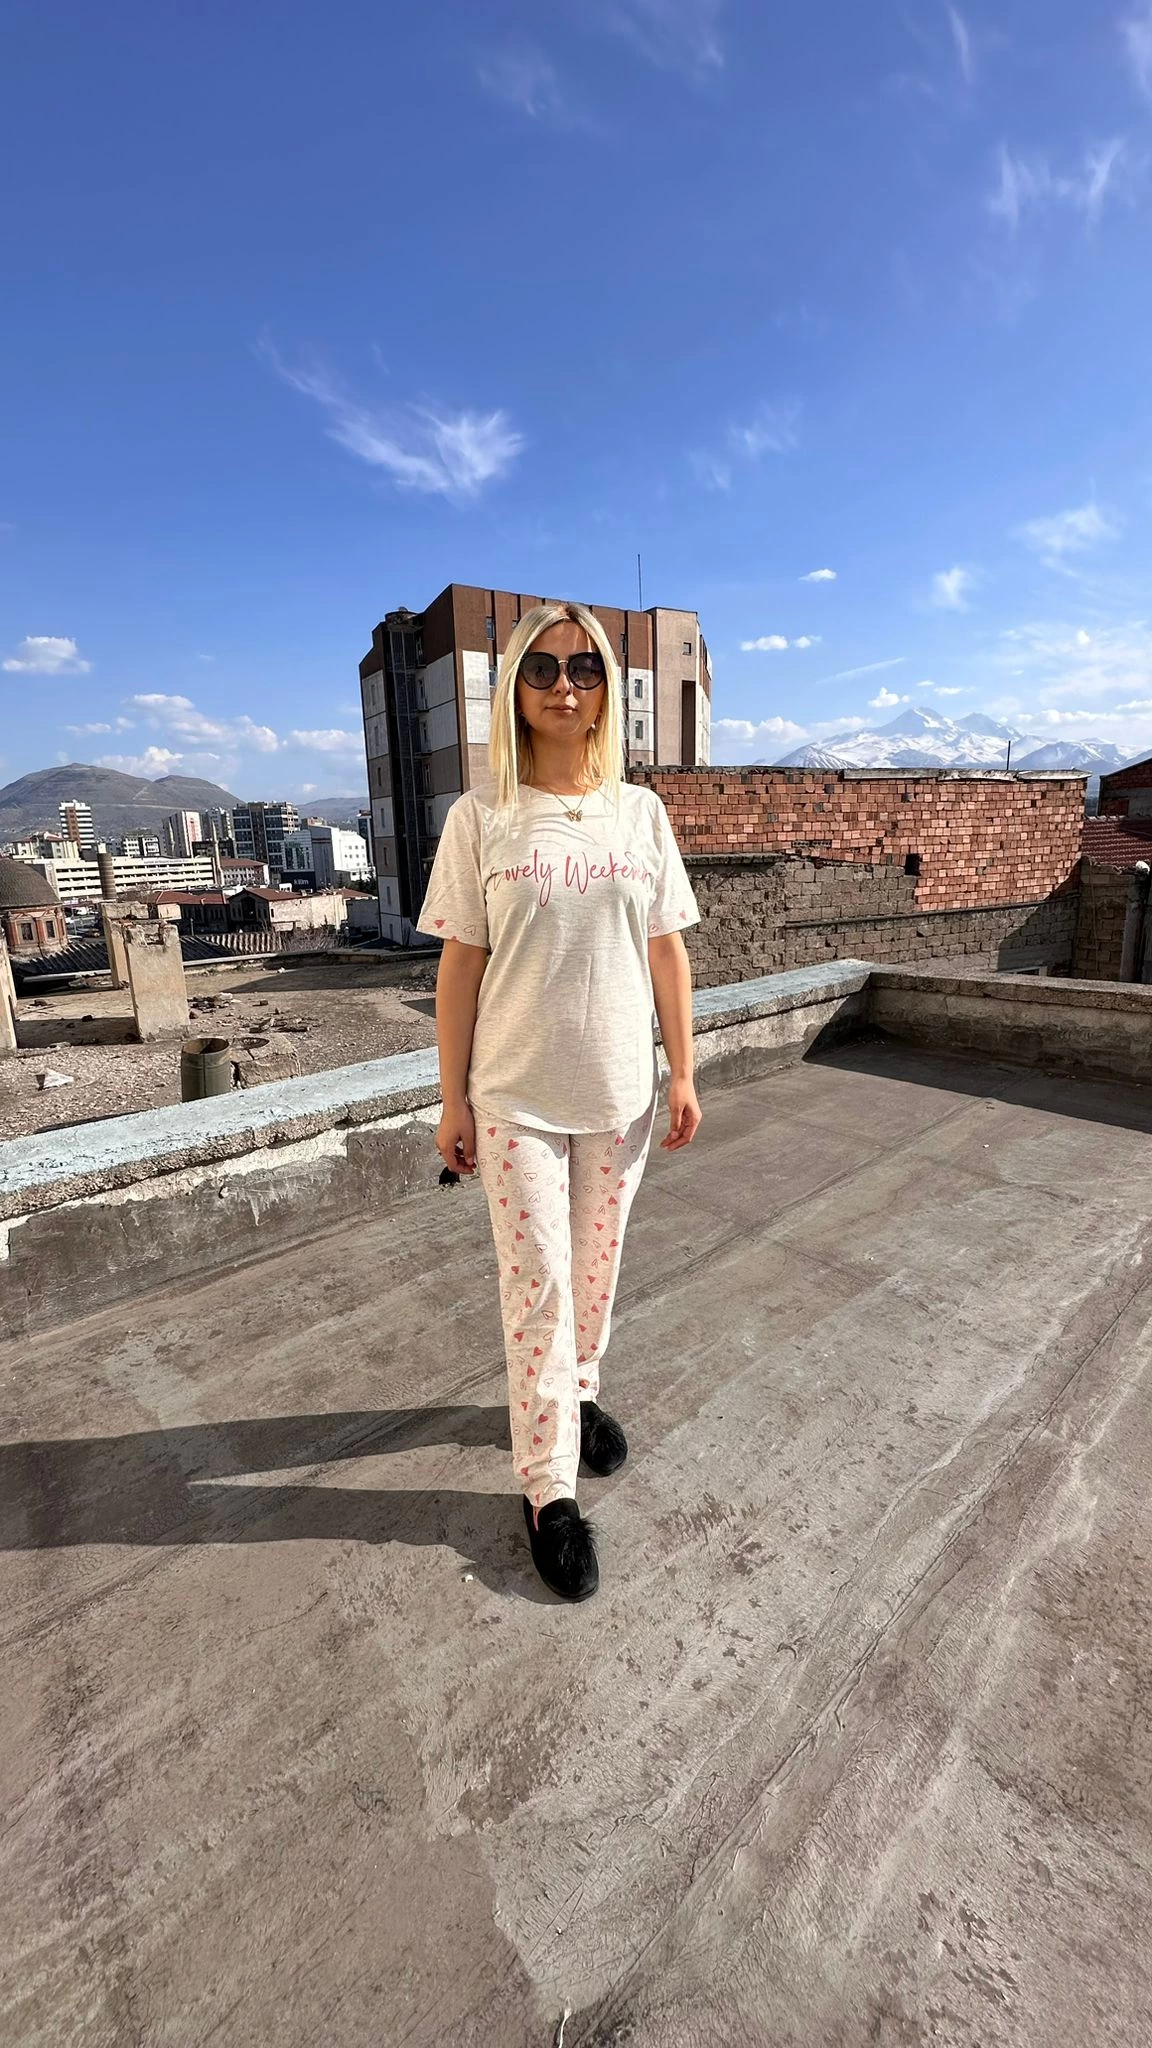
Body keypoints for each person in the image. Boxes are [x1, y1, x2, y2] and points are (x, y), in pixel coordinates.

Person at [417, 601, 701, 1601]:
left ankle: (575, 1395)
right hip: (516, 1098)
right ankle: (548, 1487)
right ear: (514, 689)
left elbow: (666, 948)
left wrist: (683, 1070)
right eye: (542, 668)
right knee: (538, 1286)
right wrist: (450, 1098)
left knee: (594, 1271)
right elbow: (460, 965)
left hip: (620, 1095)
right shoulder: (480, 817)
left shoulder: (640, 814)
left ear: (608, 689)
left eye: (585, 668)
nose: (565, 686)